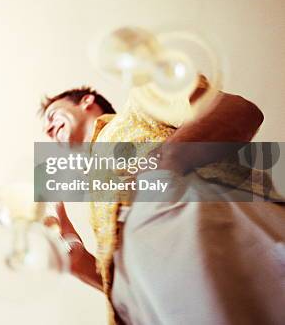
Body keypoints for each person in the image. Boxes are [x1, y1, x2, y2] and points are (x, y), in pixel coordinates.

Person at [40, 83, 285, 325]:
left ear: (86, 100)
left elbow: (237, 111)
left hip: (210, 229)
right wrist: (78, 262)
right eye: (46, 131)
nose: (49, 129)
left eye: (52, 116)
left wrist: (164, 163)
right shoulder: (94, 186)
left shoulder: (141, 100)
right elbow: (137, 283)